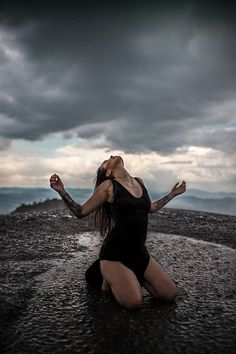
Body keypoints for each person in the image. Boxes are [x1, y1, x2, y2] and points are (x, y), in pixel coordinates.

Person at [49, 155, 186, 309]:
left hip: (139, 253)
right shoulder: (109, 186)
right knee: (134, 303)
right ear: (108, 173)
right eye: (106, 161)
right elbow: (80, 212)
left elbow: (151, 207)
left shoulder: (139, 182)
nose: (111, 156)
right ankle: (107, 275)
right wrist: (61, 190)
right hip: (115, 255)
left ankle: (124, 277)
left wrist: (173, 194)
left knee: (169, 294)